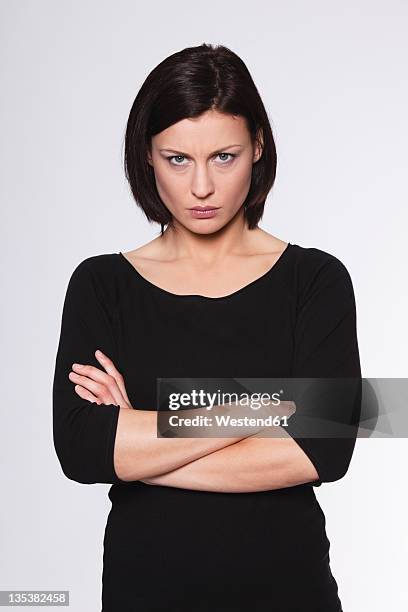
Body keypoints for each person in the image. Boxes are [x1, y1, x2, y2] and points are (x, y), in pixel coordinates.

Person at [52, 43, 362, 611]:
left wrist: (141, 442)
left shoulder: (316, 280)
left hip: (289, 595)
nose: (200, 188)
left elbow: (325, 450)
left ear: (258, 148)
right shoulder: (101, 286)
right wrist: (264, 407)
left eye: (223, 156)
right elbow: (81, 450)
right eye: (177, 159)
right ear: (146, 155)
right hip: (145, 594)